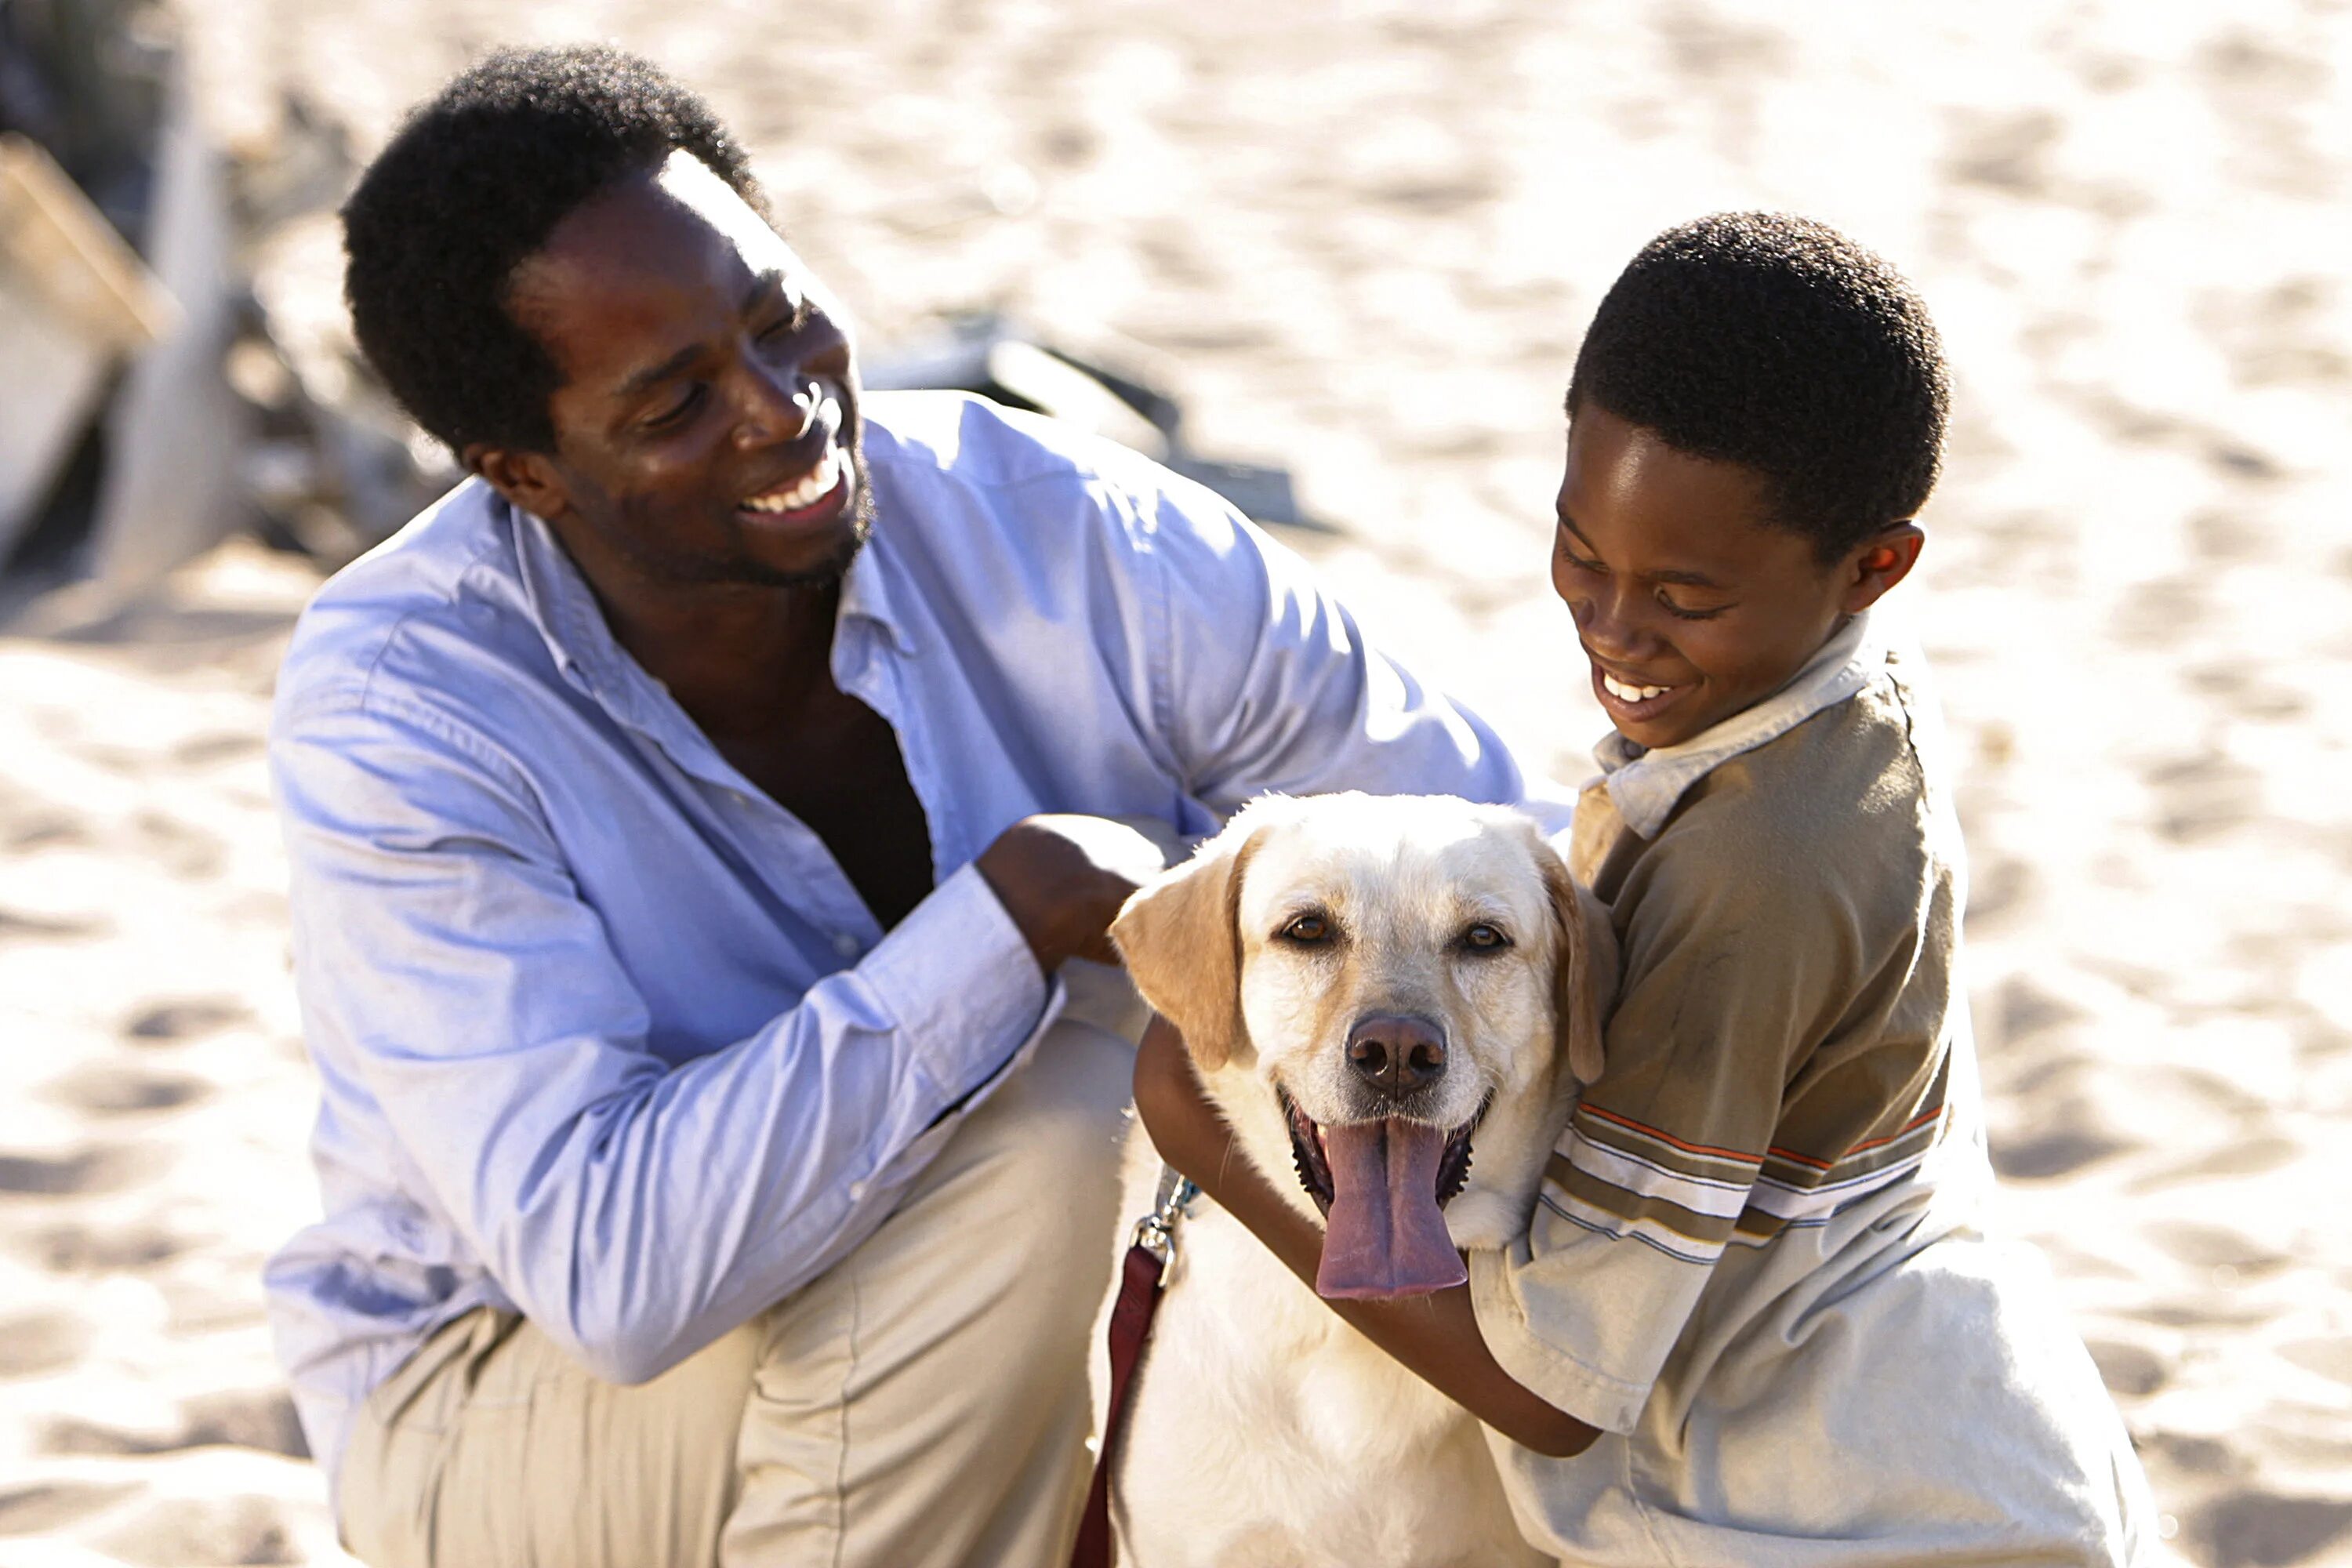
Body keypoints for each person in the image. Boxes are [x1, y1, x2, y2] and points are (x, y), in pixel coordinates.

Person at [266, 44, 1555, 1568]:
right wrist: (1007, 920)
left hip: (943, 1330)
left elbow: (1483, 837)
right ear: (522, 472)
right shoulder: (403, 709)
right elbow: (610, 1273)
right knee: (1076, 1103)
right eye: (675, 400)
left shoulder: (1064, 529)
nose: (779, 408)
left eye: (781, 316)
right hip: (511, 1400)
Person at [1137, 212, 2154, 1562]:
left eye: (1683, 591)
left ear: (1874, 564)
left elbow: (1557, 1398)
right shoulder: (1838, 714)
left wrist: (1194, 1129)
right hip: (1970, 1434)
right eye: (1580, 555)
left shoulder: (1755, 874)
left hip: (1846, 1512)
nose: (1615, 631)